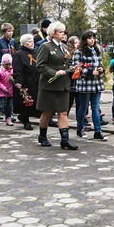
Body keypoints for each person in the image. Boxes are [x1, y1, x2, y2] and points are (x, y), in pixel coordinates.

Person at [35, 21, 77, 150]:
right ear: (53, 33)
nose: (63, 34)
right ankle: (42, 136)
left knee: (63, 112)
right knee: (47, 112)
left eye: (64, 31)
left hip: (63, 85)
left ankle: (65, 140)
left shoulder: (64, 47)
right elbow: (40, 65)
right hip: (49, 85)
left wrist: (72, 68)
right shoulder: (46, 47)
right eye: (60, 31)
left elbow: (66, 64)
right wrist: (54, 73)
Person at [72, 30, 106, 140]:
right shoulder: (79, 52)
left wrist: (101, 69)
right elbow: (77, 68)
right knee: (83, 107)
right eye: (90, 38)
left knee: (96, 108)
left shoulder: (96, 50)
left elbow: (101, 65)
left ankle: (98, 130)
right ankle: (79, 128)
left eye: (93, 38)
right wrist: (91, 72)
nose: (92, 40)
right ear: (85, 39)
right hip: (85, 83)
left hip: (96, 83)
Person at [12, 34, 41, 130]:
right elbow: (17, 69)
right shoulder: (19, 54)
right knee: (26, 102)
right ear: (24, 43)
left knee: (35, 101)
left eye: (32, 41)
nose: (32, 43)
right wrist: (18, 81)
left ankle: (24, 117)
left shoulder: (36, 52)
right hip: (25, 81)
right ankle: (25, 120)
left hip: (36, 80)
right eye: (29, 41)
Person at [0, 54, 14, 126]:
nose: (8, 66)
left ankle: (8, 118)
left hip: (10, 91)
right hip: (2, 92)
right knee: (2, 105)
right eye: (6, 64)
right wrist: (4, 88)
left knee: (9, 106)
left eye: (9, 64)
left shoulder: (12, 71)